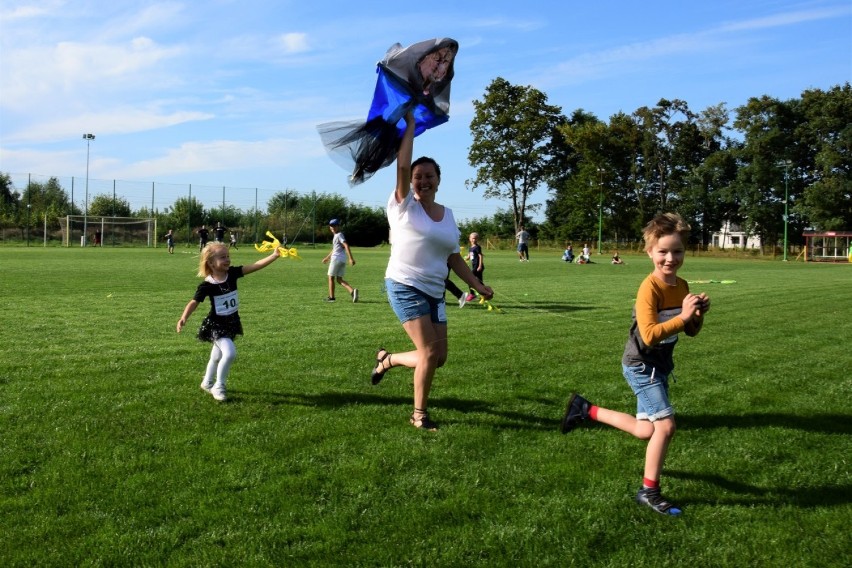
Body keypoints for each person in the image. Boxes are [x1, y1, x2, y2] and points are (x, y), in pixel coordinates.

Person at [560, 213, 711, 516]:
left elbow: (691, 332)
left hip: (660, 365)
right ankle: (649, 491)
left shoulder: (682, 285)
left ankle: (585, 409)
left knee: (646, 431)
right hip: (641, 364)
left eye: (677, 251)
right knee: (665, 427)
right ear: (650, 252)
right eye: (663, 252)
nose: (670, 258)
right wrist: (682, 318)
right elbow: (650, 335)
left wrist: (696, 314)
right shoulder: (650, 288)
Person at [371, 111, 493, 431]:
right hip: (405, 285)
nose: (423, 181)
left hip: (436, 292)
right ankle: (419, 415)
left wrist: (477, 285)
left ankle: (389, 359)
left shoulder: (448, 215)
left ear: (439, 179)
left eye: (429, 176)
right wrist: (410, 126)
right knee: (427, 353)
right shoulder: (402, 205)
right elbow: (401, 163)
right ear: (410, 182)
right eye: (418, 177)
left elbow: (453, 257)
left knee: (438, 358)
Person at [176, 242, 282, 401]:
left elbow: (255, 266)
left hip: (231, 323)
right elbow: (194, 302)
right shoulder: (207, 285)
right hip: (216, 325)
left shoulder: (232, 274)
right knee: (230, 353)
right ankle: (218, 386)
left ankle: (206, 382)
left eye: (228, 256)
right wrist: (184, 317)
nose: (227, 260)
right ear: (211, 263)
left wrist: (274, 255)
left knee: (216, 356)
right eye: (222, 257)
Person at [321, 219, 358, 303]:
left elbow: (346, 245)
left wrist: (351, 258)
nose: (333, 227)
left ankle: (331, 298)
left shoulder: (339, 235)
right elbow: (335, 249)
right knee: (339, 279)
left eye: (335, 225)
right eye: (331, 225)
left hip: (336, 259)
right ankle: (352, 291)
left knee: (330, 277)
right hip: (342, 260)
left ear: (338, 226)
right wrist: (327, 258)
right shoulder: (336, 236)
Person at [465, 232, 484, 302]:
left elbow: (480, 256)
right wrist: (464, 259)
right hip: (474, 266)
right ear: (470, 239)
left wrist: (480, 266)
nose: (474, 240)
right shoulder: (470, 248)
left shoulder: (477, 247)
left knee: (469, 279)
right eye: (473, 238)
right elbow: (469, 256)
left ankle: (472, 295)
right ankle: (485, 294)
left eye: (476, 238)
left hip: (477, 266)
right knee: (480, 282)